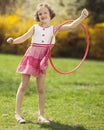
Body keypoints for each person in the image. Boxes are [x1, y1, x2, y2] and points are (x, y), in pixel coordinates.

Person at [7, 2, 89, 123]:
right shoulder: (35, 28)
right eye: (40, 14)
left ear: (50, 14)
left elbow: (71, 26)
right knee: (23, 85)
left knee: (40, 89)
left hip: (43, 59)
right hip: (31, 57)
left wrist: (82, 17)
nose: (42, 15)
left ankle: (41, 115)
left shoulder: (54, 29)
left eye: (45, 12)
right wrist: (13, 41)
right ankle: (17, 114)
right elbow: (23, 37)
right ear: (38, 17)